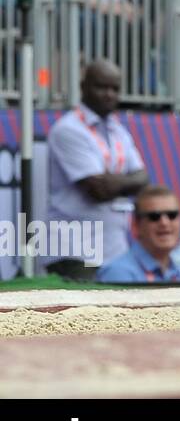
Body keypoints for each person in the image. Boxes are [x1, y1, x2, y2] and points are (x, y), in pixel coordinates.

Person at [45, 60, 150, 279]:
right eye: (101, 87)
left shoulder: (117, 130)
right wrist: (127, 182)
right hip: (74, 251)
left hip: (114, 248)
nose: (109, 94)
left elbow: (143, 179)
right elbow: (98, 190)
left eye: (115, 89)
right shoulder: (68, 129)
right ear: (83, 87)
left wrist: (115, 182)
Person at [95, 187, 180, 283]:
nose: (164, 222)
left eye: (172, 215)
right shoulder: (118, 273)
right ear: (136, 225)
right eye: (154, 216)